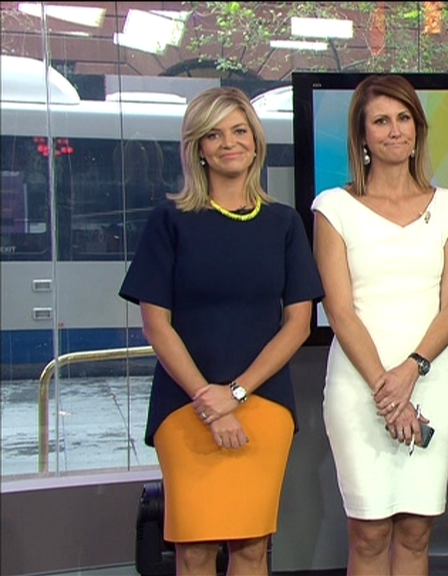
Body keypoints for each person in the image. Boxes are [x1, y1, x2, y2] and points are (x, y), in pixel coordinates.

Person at [118, 86, 324, 576]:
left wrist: (235, 393)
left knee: (252, 547)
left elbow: (297, 323)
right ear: (198, 149)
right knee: (194, 550)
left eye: (239, 131)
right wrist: (207, 399)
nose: (229, 143)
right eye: (214, 135)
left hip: (263, 403)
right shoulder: (169, 221)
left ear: (255, 141)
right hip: (186, 405)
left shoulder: (284, 224)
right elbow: (156, 323)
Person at [312, 75, 448, 576]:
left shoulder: (447, 206)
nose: (395, 130)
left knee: (417, 532)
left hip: (432, 382)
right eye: (381, 121)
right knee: (370, 533)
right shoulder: (333, 208)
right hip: (360, 386)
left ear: (418, 129)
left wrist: (411, 371)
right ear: (362, 135)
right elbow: (340, 310)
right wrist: (387, 388)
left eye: (404, 119)